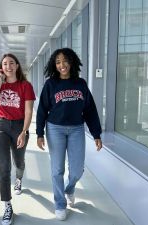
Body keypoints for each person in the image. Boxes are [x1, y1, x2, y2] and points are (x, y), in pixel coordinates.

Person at [36, 48, 102, 221]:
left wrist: (96, 134)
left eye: (65, 61)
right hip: (55, 129)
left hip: (76, 129)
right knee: (57, 169)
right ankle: (59, 203)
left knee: (77, 169)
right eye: (58, 62)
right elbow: (42, 109)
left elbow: (90, 110)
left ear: (71, 62)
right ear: (54, 65)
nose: (62, 65)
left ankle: (70, 188)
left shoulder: (80, 83)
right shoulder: (51, 84)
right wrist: (39, 133)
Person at [0, 53, 36, 225]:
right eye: (5, 64)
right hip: (0, 126)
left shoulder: (25, 85)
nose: (8, 66)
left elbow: (29, 111)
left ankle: (19, 179)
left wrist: (24, 131)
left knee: (19, 162)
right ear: (2, 67)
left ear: (16, 66)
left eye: (11, 63)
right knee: (4, 165)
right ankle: (7, 206)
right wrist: (0, 79)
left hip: (19, 126)